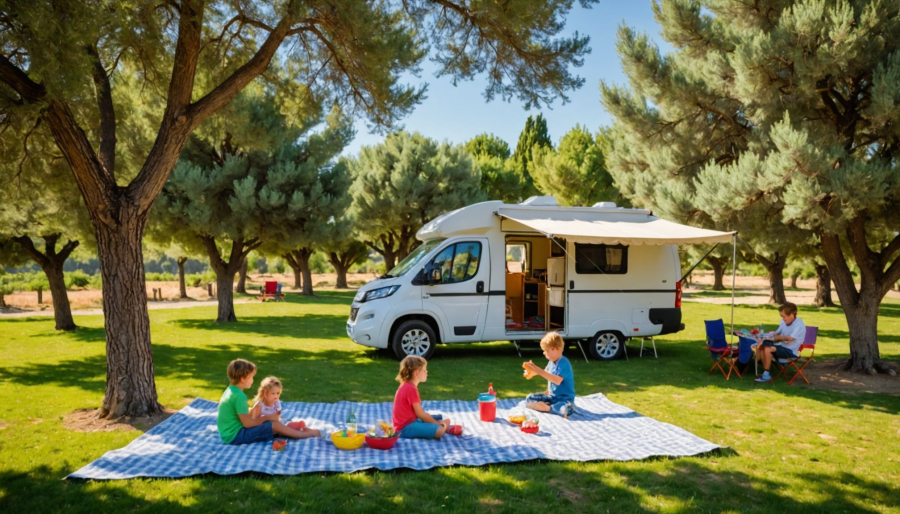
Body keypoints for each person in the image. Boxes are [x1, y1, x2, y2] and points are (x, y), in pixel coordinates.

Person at [217, 359, 319, 445]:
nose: (252, 380)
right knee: (274, 425)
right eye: (251, 377)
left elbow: (239, 414)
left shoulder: (230, 391)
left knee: (272, 425)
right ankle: (308, 434)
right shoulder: (239, 396)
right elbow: (248, 424)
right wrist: (267, 417)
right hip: (236, 436)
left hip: (228, 434)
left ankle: (297, 430)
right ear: (243, 379)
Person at [392, 355, 463, 439]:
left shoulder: (406, 385)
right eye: (424, 370)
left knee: (443, 417)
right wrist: (436, 423)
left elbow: (419, 415)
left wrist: (434, 421)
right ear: (416, 373)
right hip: (405, 428)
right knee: (439, 430)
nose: (427, 372)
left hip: (412, 421)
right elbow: (420, 414)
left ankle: (444, 425)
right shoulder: (411, 389)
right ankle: (444, 427)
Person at [523, 331, 576, 417]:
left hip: (565, 399)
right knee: (530, 398)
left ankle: (548, 408)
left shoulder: (564, 363)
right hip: (552, 397)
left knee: (566, 407)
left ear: (554, 349)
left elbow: (557, 380)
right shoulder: (551, 362)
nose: (544, 353)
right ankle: (549, 407)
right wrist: (532, 373)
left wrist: (539, 371)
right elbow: (546, 372)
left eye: (546, 350)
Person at [755, 302, 807, 383]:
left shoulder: (799, 325)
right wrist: (763, 337)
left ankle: (766, 374)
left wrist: (775, 338)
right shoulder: (783, 322)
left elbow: (789, 338)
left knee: (768, 348)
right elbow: (776, 333)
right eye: (781, 316)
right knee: (762, 346)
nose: (783, 319)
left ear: (792, 314)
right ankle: (766, 373)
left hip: (791, 351)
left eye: (784, 316)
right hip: (782, 347)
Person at [251, 376, 315, 434]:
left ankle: (302, 428)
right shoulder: (260, 405)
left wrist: (277, 417)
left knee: (285, 425)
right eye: (273, 393)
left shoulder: (276, 402)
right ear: (265, 394)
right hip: (265, 426)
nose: (276, 396)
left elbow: (277, 416)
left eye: (278, 393)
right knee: (284, 429)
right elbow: (253, 421)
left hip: (276, 423)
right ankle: (298, 430)